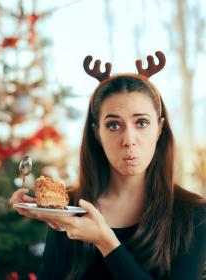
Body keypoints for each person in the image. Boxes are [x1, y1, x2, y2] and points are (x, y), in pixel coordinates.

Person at [10, 51, 206, 280]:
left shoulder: (194, 215)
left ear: (159, 129)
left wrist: (106, 242)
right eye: (113, 125)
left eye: (141, 123)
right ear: (96, 133)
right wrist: (52, 218)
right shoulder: (68, 210)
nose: (129, 140)